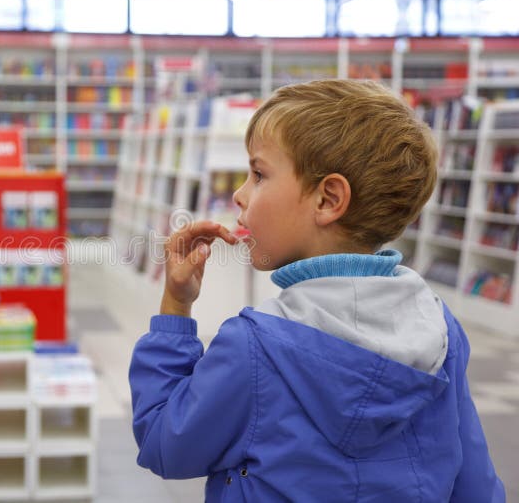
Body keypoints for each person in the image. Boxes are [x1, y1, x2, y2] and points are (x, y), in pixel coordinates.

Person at [128, 79, 505, 502]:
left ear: (328, 199)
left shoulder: (255, 347)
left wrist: (175, 306)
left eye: (257, 174)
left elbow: (165, 444)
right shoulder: (440, 327)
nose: (239, 194)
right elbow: (475, 485)